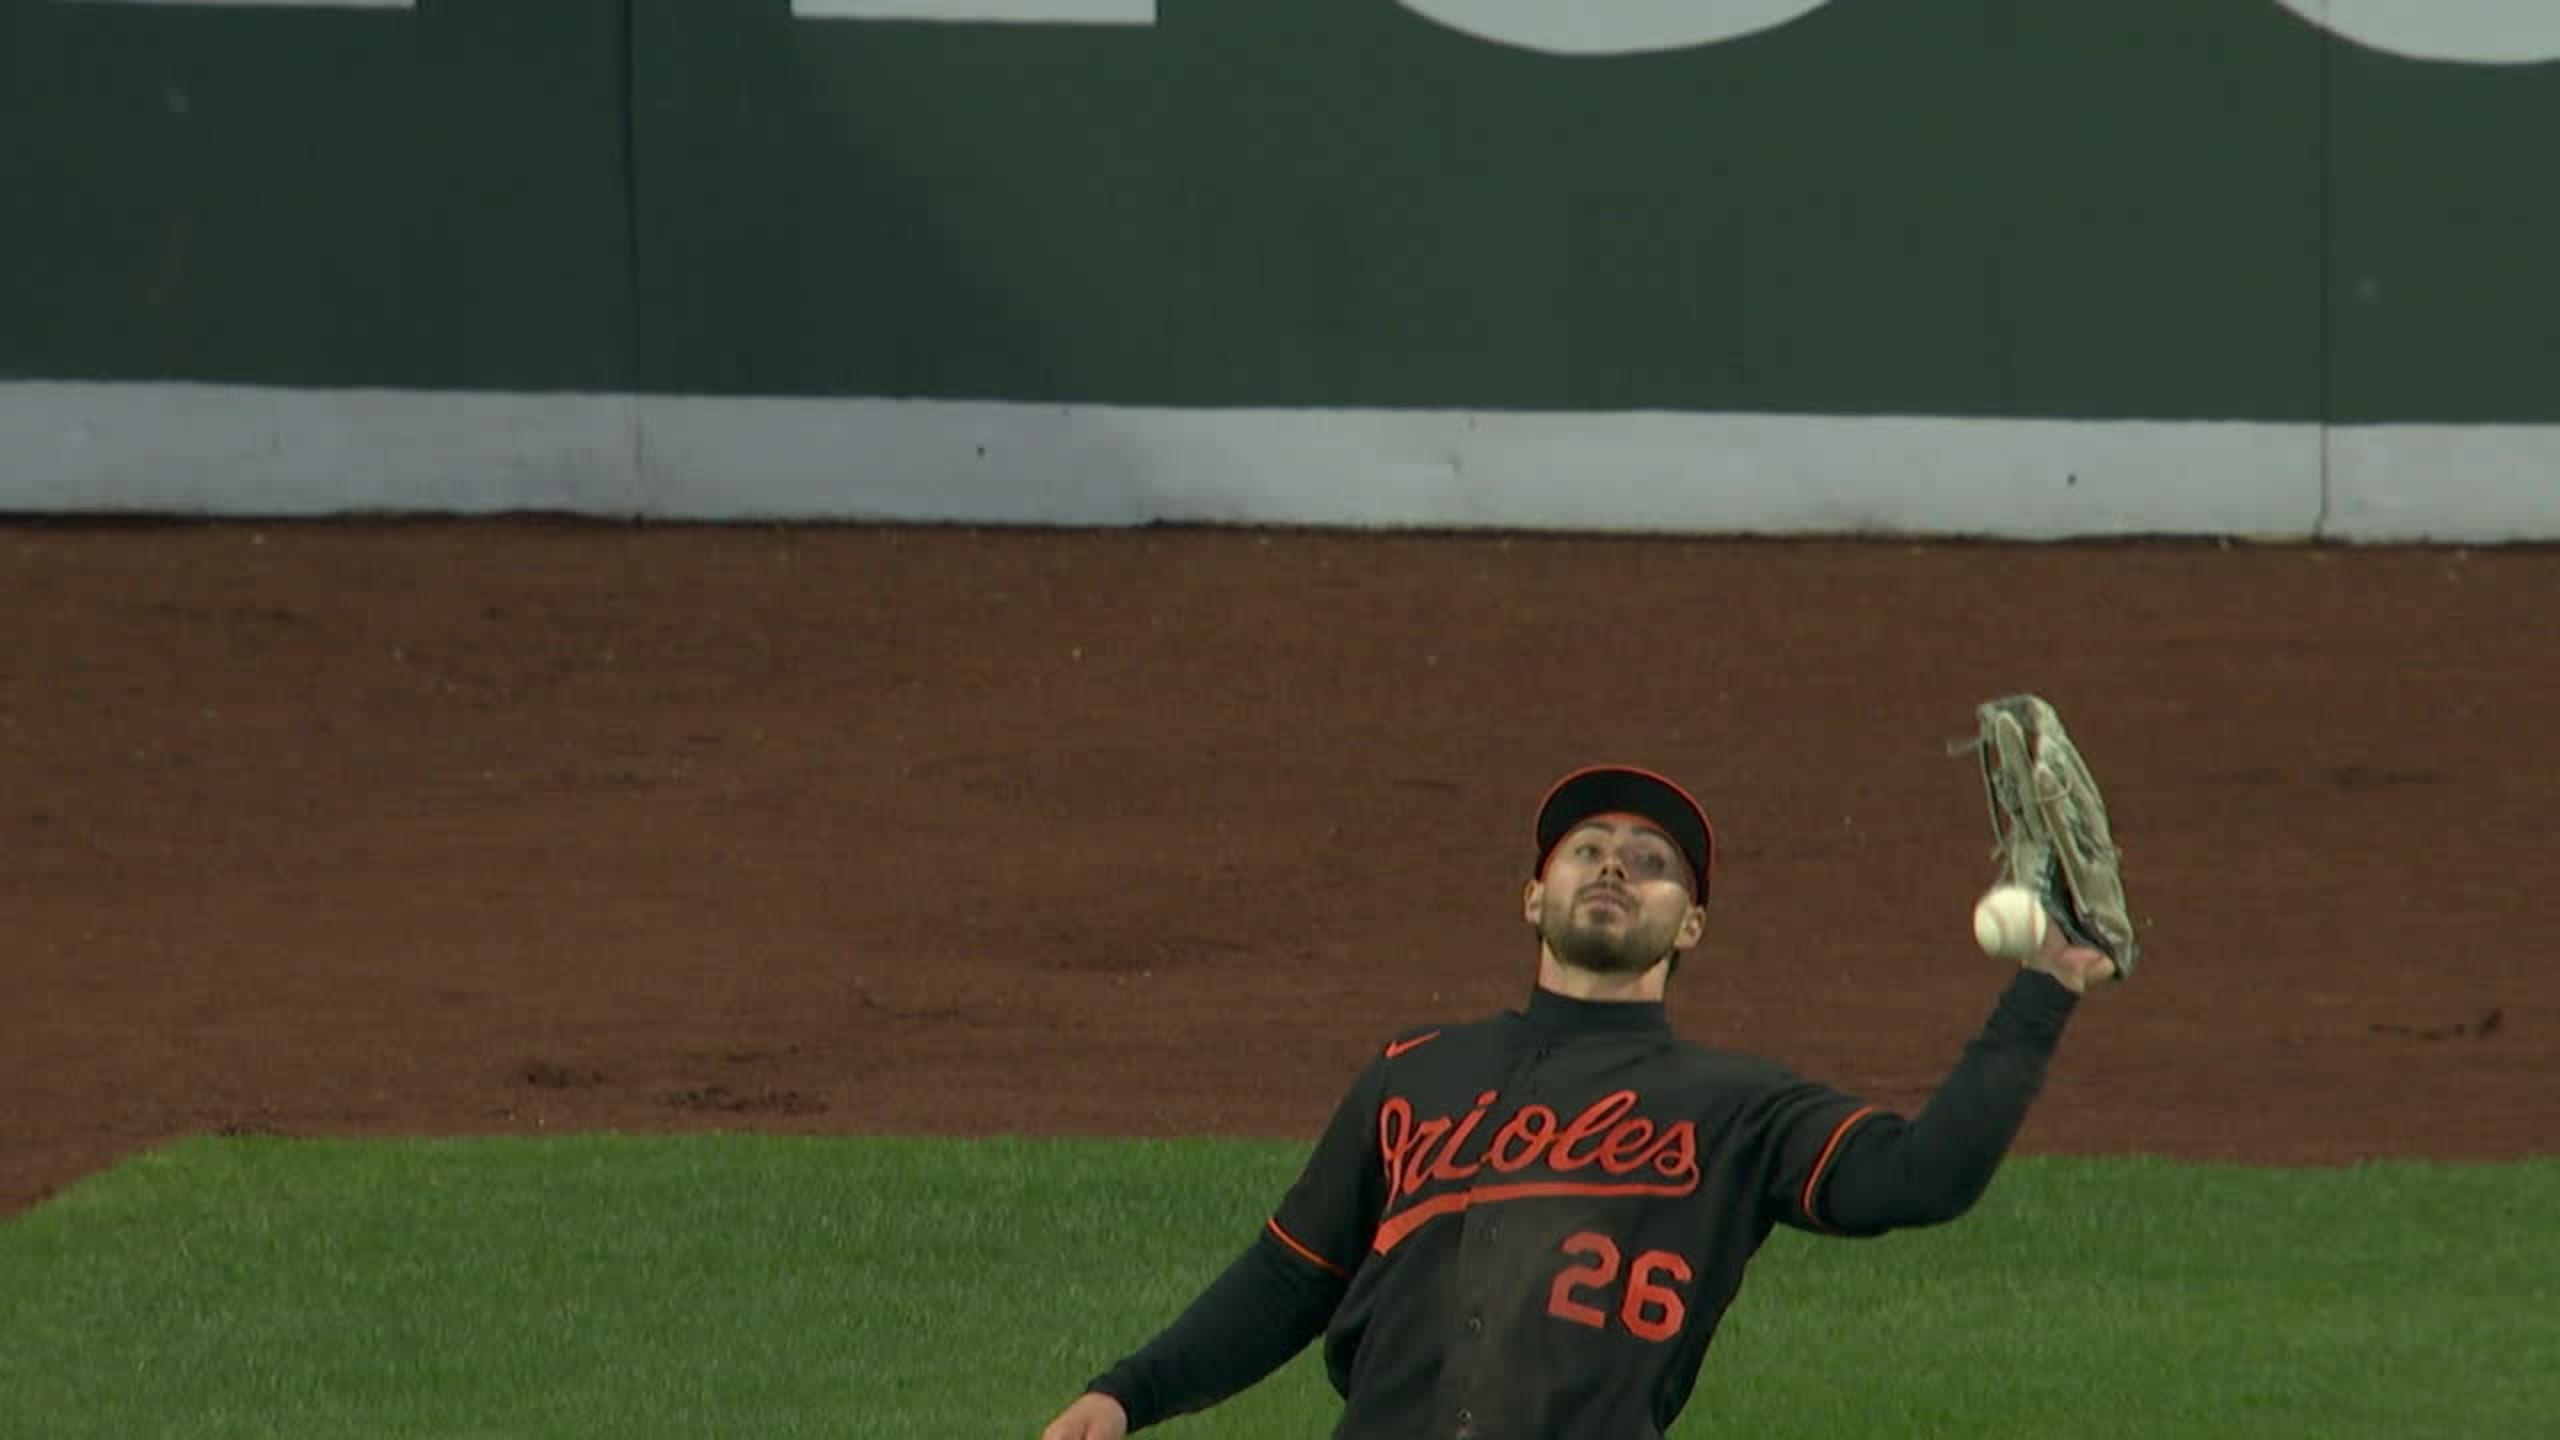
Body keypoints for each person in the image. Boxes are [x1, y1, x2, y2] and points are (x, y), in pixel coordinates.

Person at [1039, 763, 2116, 1440]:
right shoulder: (1415, 1073)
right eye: (1587, 850)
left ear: (1688, 927)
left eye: (1653, 865)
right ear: (1533, 895)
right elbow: (1289, 1276)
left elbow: (1922, 1178)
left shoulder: (1735, 1107)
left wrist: (2047, 983)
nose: (1615, 867)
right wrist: (1127, 1393)